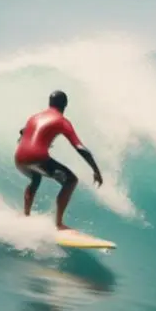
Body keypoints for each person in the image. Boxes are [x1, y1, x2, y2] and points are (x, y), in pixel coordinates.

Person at [14, 90, 103, 231]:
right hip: (37, 158)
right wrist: (96, 171)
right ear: (65, 105)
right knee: (71, 180)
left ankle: (25, 215)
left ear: (49, 103)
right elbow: (80, 147)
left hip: (19, 158)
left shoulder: (34, 117)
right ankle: (59, 224)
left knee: (35, 178)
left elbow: (22, 131)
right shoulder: (62, 121)